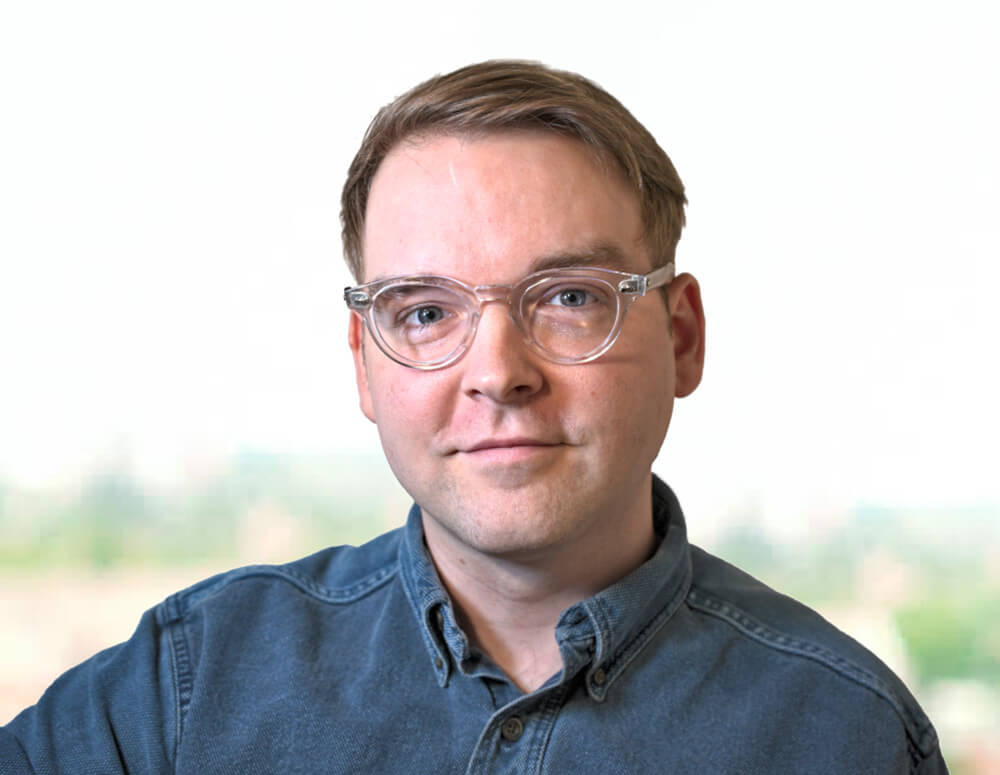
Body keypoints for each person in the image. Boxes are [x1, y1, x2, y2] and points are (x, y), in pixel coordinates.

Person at [1, 60, 947, 774]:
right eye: (423, 311)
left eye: (569, 296)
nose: (498, 373)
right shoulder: (187, 688)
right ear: (364, 368)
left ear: (683, 334)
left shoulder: (849, 733)